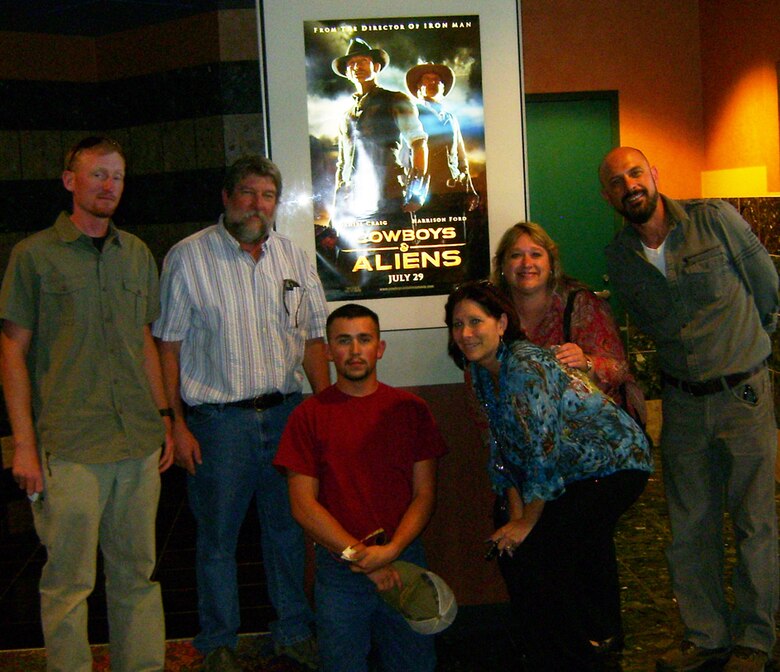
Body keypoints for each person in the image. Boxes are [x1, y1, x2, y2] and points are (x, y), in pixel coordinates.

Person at [599, 147, 779, 672]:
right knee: (690, 526)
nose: (629, 184)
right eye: (616, 181)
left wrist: (750, 350)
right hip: (680, 403)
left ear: (653, 175)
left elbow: (767, 287)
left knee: (754, 523)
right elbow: (646, 326)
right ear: (608, 195)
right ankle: (706, 636)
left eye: (635, 172)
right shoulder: (618, 257)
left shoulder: (714, 219)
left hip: (743, 396)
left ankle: (755, 640)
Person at [0, 136, 174, 672]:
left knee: (136, 575)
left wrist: (165, 418)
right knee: (69, 581)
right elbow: (11, 351)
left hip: (137, 442)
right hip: (70, 445)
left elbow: (144, 341)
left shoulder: (137, 253)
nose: (108, 186)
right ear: (69, 180)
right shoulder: (33, 256)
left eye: (117, 176)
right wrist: (23, 446)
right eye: (97, 174)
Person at [153, 156, 330, 672]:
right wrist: (177, 424)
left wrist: (324, 413)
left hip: (286, 417)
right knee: (216, 540)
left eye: (268, 196)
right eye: (248, 193)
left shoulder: (295, 260)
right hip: (217, 422)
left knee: (287, 532)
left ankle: (293, 633)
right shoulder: (187, 258)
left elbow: (313, 339)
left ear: (277, 204)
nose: (258, 205)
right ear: (227, 197)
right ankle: (218, 645)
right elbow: (168, 345)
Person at [444, 280, 652, 671]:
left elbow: (543, 454)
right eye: (457, 325)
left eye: (476, 321)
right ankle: (543, 648)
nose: (466, 333)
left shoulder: (524, 364)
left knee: (544, 548)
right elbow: (501, 451)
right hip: (569, 470)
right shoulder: (485, 372)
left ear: (502, 323)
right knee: (510, 537)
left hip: (614, 464)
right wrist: (514, 516)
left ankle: (576, 655)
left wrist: (527, 522)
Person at [274, 303, 447, 672]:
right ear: (329, 351)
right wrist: (360, 557)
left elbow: (425, 494)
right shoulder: (308, 416)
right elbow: (302, 506)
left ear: (380, 348)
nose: (355, 351)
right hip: (340, 570)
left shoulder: (411, 409)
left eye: (364, 340)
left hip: (405, 561)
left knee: (414, 663)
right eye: (344, 341)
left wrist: (392, 551)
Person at [491, 221, 645, 421]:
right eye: (515, 255)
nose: (526, 263)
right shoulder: (491, 313)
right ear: (502, 265)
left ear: (551, 264)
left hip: (592, 433)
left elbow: (620, 369)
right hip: (525, 432)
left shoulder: (582, 305)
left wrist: (587, 363)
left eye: (536, 254)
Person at [329, 37, 428, 289]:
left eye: (362, 61)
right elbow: (342, 163)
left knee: (398, 266)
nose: (356, 67)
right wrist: (337, 206)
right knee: (361, 271)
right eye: (351, 64)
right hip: (356, 205)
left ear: (376, 66)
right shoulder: (346, 115)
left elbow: (418, 141)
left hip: (391, 196)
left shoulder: (395, 99)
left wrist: (416, 194)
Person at [405, 62, 479, 216]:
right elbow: (405, 155)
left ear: (443, 88)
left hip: (451, 189)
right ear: (418, 88)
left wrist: (469, 187)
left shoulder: (451, 118)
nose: (432, 83)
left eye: (437, 80)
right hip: (424, 191)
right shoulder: (413, 114)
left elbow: (461, 154)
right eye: (426, 79)